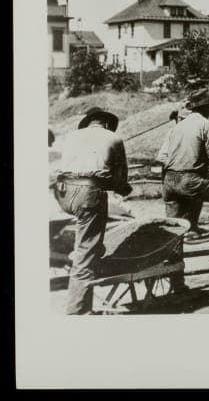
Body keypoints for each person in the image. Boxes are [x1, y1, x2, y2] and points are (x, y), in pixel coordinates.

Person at [53, 106, 132, 315]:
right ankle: (78, 312)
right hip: (87, 193)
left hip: (62, 193)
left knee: (88, 240)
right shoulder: (114, 138)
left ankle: (92, 252)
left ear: (88, 122)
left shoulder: (71, 136)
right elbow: (120, 179)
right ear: (106, 123)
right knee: (85, 253)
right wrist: (124, 189)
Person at [155, 88, 209, 252]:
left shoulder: (177, 127)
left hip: (169, 180)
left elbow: (164, 159)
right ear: (206, 108)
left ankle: (173, 257)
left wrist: (165, 184)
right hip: (188, 180)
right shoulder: (205, 124)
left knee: (174, 227)